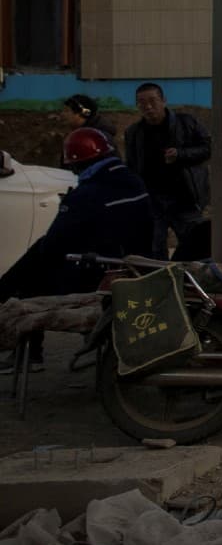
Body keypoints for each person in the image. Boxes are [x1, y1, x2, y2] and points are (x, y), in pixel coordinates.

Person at [0, 128, 153, 374]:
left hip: (100, 276)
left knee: (27, 282)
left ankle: (29, 355)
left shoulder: (86, 195)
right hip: (135, 269)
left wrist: (10, 281)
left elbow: (52, 246)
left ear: (76, 165)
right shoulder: (133, 181)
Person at [121, 84, 211, 260]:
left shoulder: (186, 123)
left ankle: (190, 282)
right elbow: (132, 166)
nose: (148, 107)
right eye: (141, 103)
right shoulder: (133, 132)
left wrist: (181, 154)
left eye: (152, 101)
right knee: (154, 249)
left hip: (185, 198)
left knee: (195, 244)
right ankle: (159, 283)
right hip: (152, 201)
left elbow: (208, 148)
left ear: (163, 101)